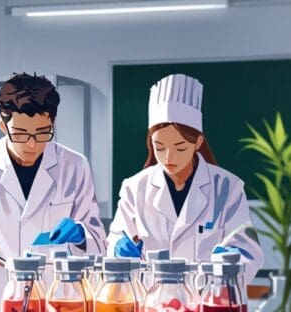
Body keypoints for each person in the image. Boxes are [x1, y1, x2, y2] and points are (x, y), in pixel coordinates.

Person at [0, 73, 106, 312]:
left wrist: (81, 234)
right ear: (2, 125)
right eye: (20, 133)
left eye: (42, 132)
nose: (32, 144)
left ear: (53, 123)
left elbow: (98, 242)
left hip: (58, 297)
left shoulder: (74, 166)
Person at [107, 73, 263, 283]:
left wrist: (229, 261)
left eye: (180, 147)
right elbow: (115, 242)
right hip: (152, 305)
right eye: (159, 147)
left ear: (198, 141)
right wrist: (118, 250)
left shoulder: (228, 187)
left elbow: (249, 251)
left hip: (205, 302)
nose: (169, 158)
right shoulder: (135, 188)